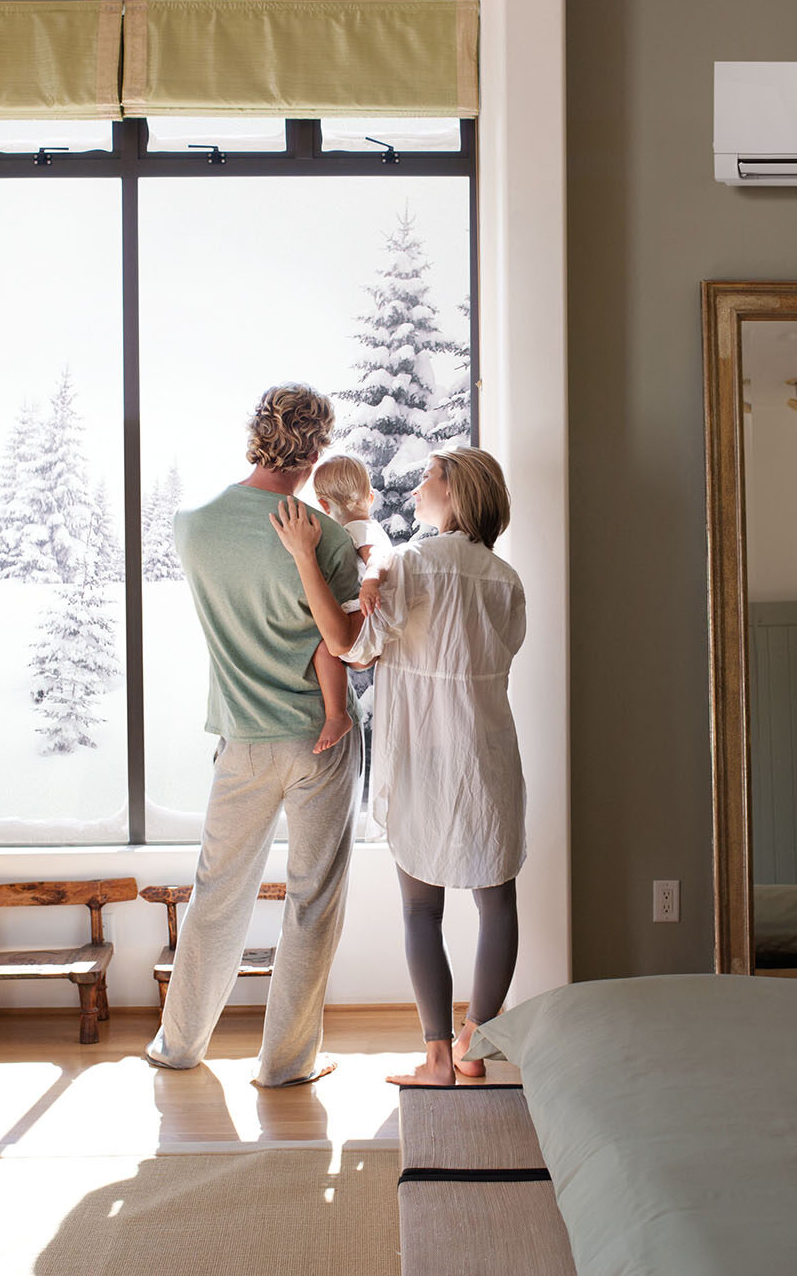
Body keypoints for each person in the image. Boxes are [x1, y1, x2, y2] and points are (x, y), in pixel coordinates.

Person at [271, 445, 526, 1087]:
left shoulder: (410, 566)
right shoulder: (506, 581)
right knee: (498, 905)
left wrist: (307, 558)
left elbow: (351, 647)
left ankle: (439, 1059)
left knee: (422, 912)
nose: (415, 489)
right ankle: (475, 1043)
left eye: (428, 478)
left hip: (422, 759)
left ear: (457, 491)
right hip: (490, 758)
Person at [146, 383, 364, 1089]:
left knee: (217, 893)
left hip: (241, 740)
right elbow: (337, 644)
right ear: (317, 447)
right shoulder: (323, 537)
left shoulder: (193, 526)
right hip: (317, 741)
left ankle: (178, 1047)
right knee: (312, 898)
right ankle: (286, 1063)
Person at [300, 454, 389, 754]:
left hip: (363, 617)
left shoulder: (360, 530)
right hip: (368, 621)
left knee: (322, 646)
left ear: (324, 506)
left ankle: (337, 713)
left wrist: (371, 583)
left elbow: (377, 557)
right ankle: (337, 713)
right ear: (371, 496)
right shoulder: (367, 526)